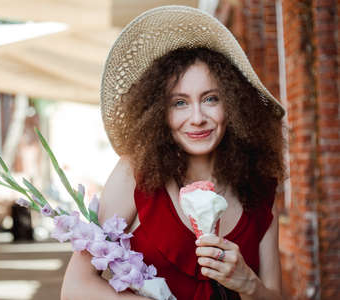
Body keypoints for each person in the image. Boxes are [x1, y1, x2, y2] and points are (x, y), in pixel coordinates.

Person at [61, 6, 286, 300]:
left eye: (211, 99)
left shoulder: (260, 190)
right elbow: (75, 288)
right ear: (158, 113)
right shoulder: (135, 174)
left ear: (234, 105)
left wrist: (248, 284)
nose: (197, 117)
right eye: (179, 103)